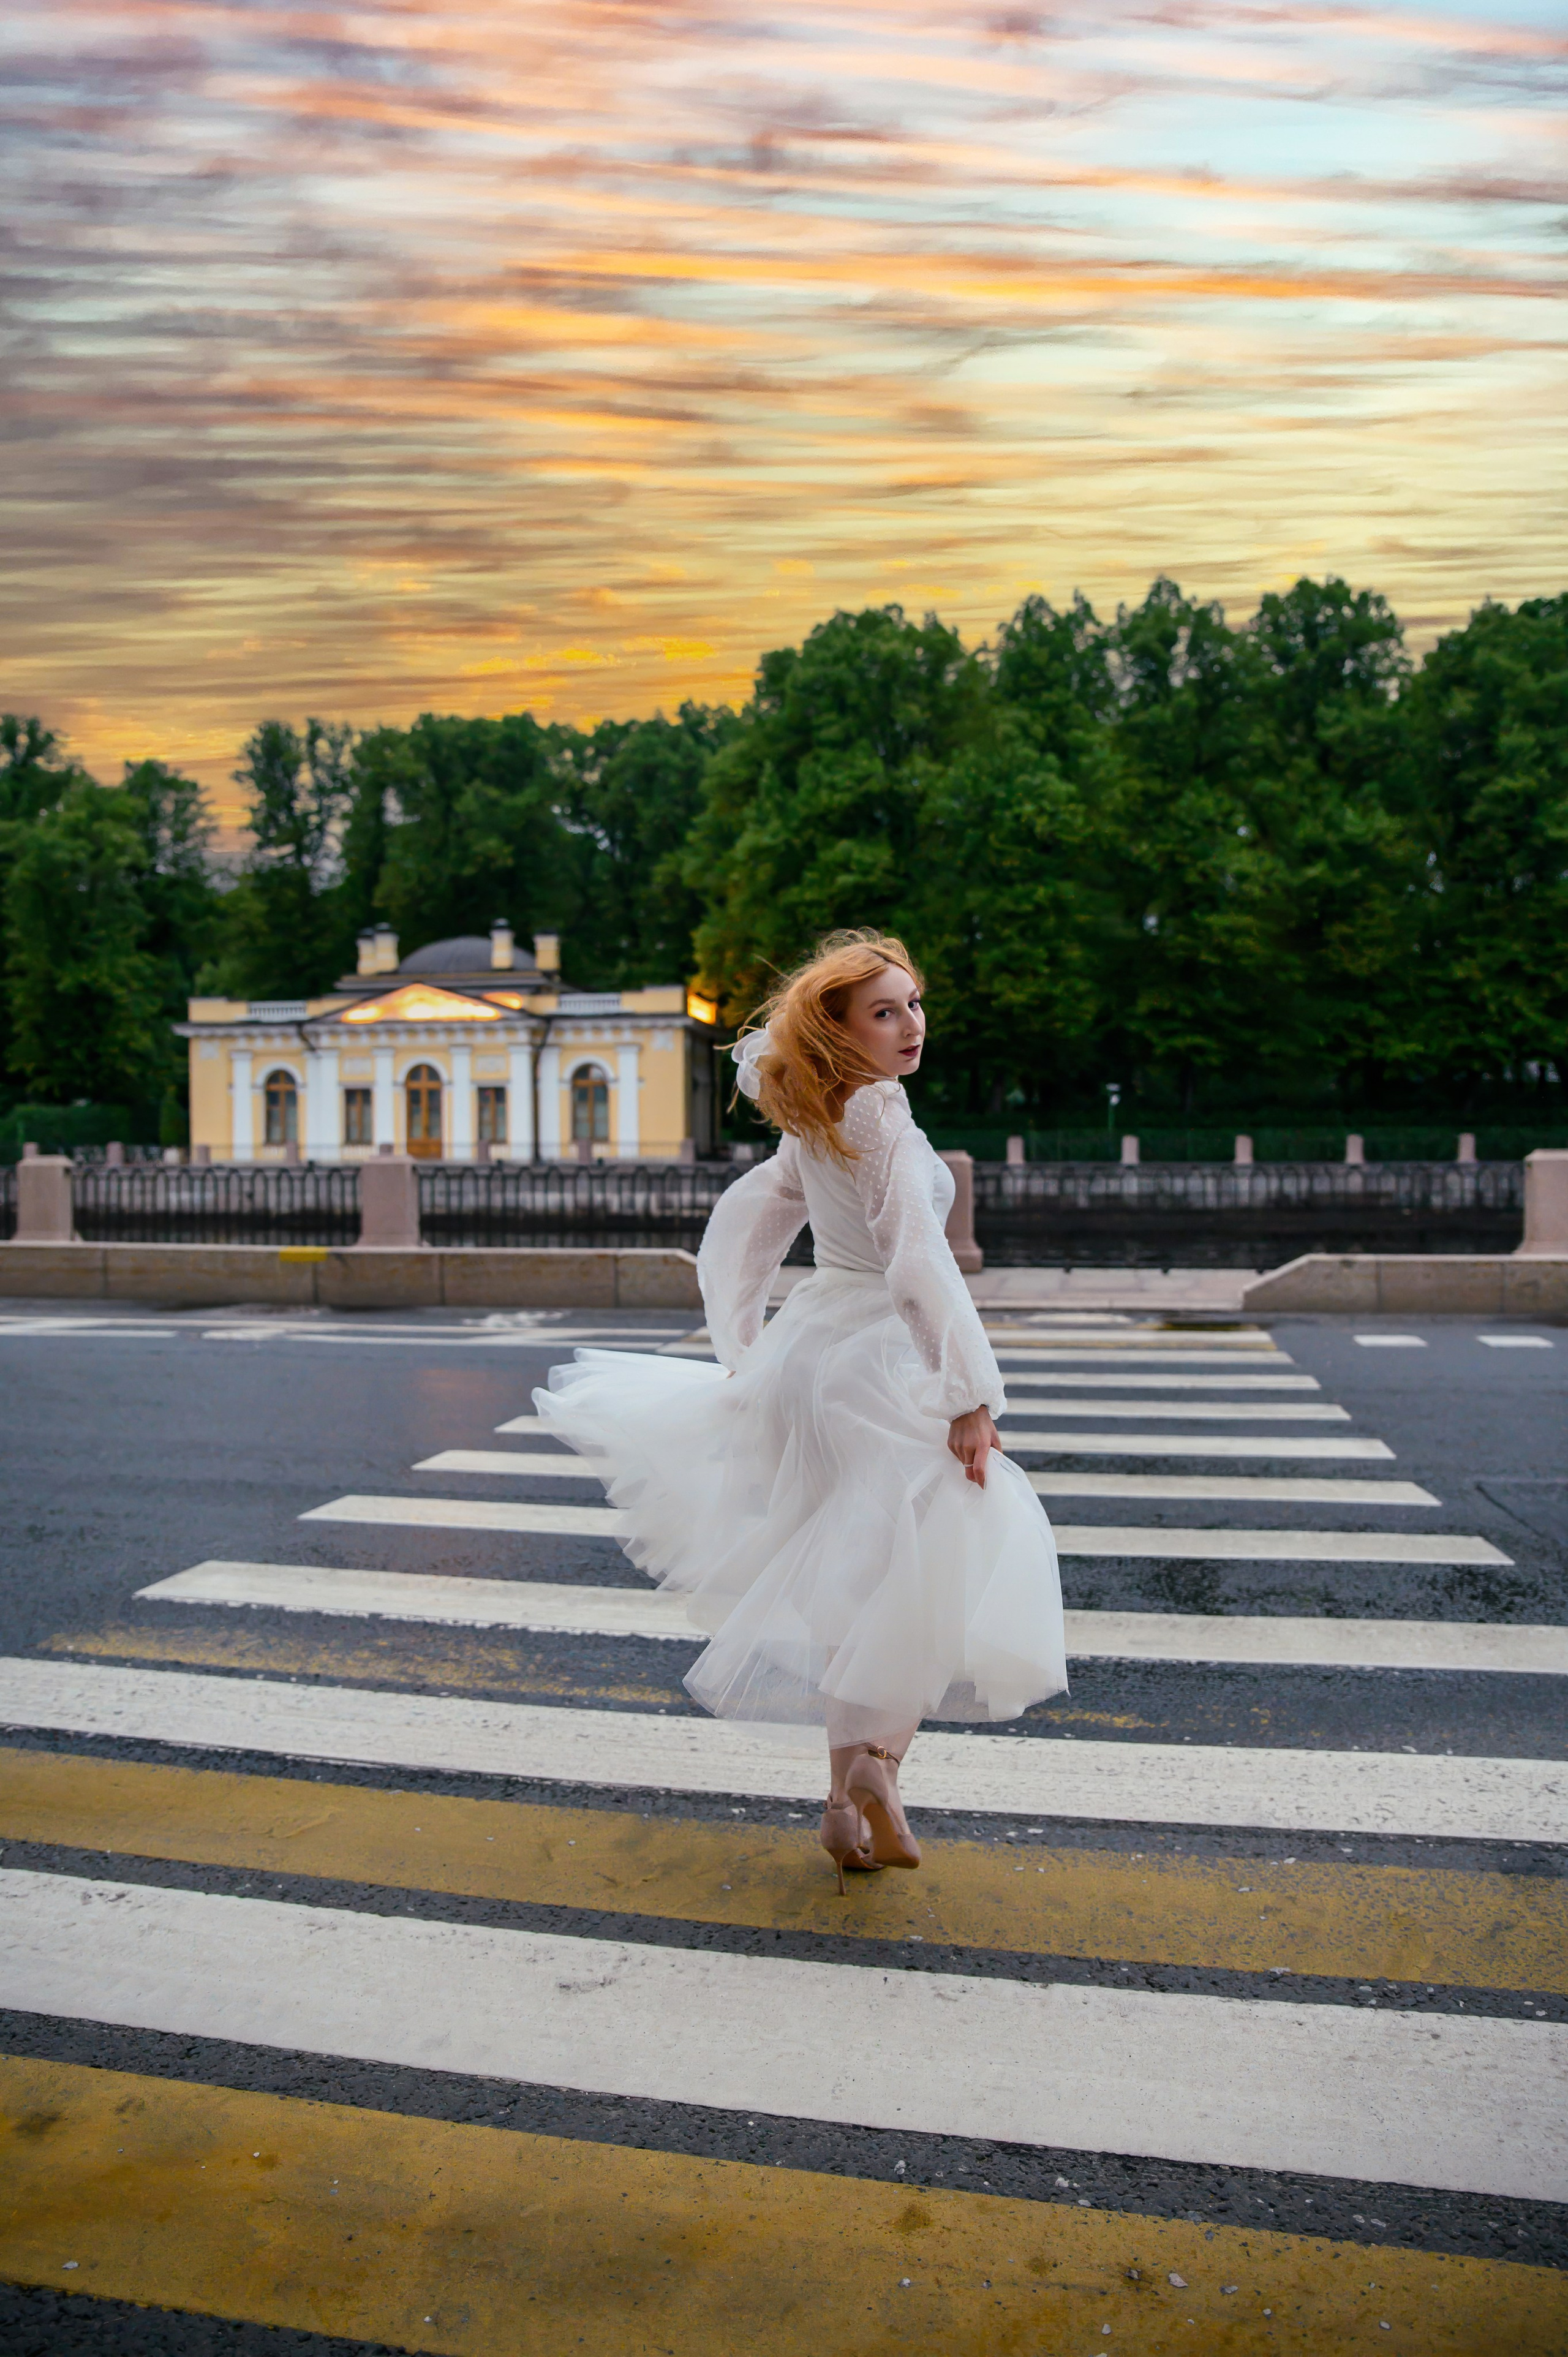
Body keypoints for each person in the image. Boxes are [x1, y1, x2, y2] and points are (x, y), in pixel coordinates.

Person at [535, 929, 1066, 1889]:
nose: (911, 1025)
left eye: (914, 1003)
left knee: (849, 1581)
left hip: (810, 1355)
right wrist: (970, 1394)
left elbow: (748, 1222)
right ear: (841, 1029)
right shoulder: (882, 1116)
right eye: (885, 1011)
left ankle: (838, 1811)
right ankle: (880, 1764)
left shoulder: (815, 1113)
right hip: (878, 1361)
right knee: (940, 1556)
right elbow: (916, 1261)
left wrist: (741, 1344)